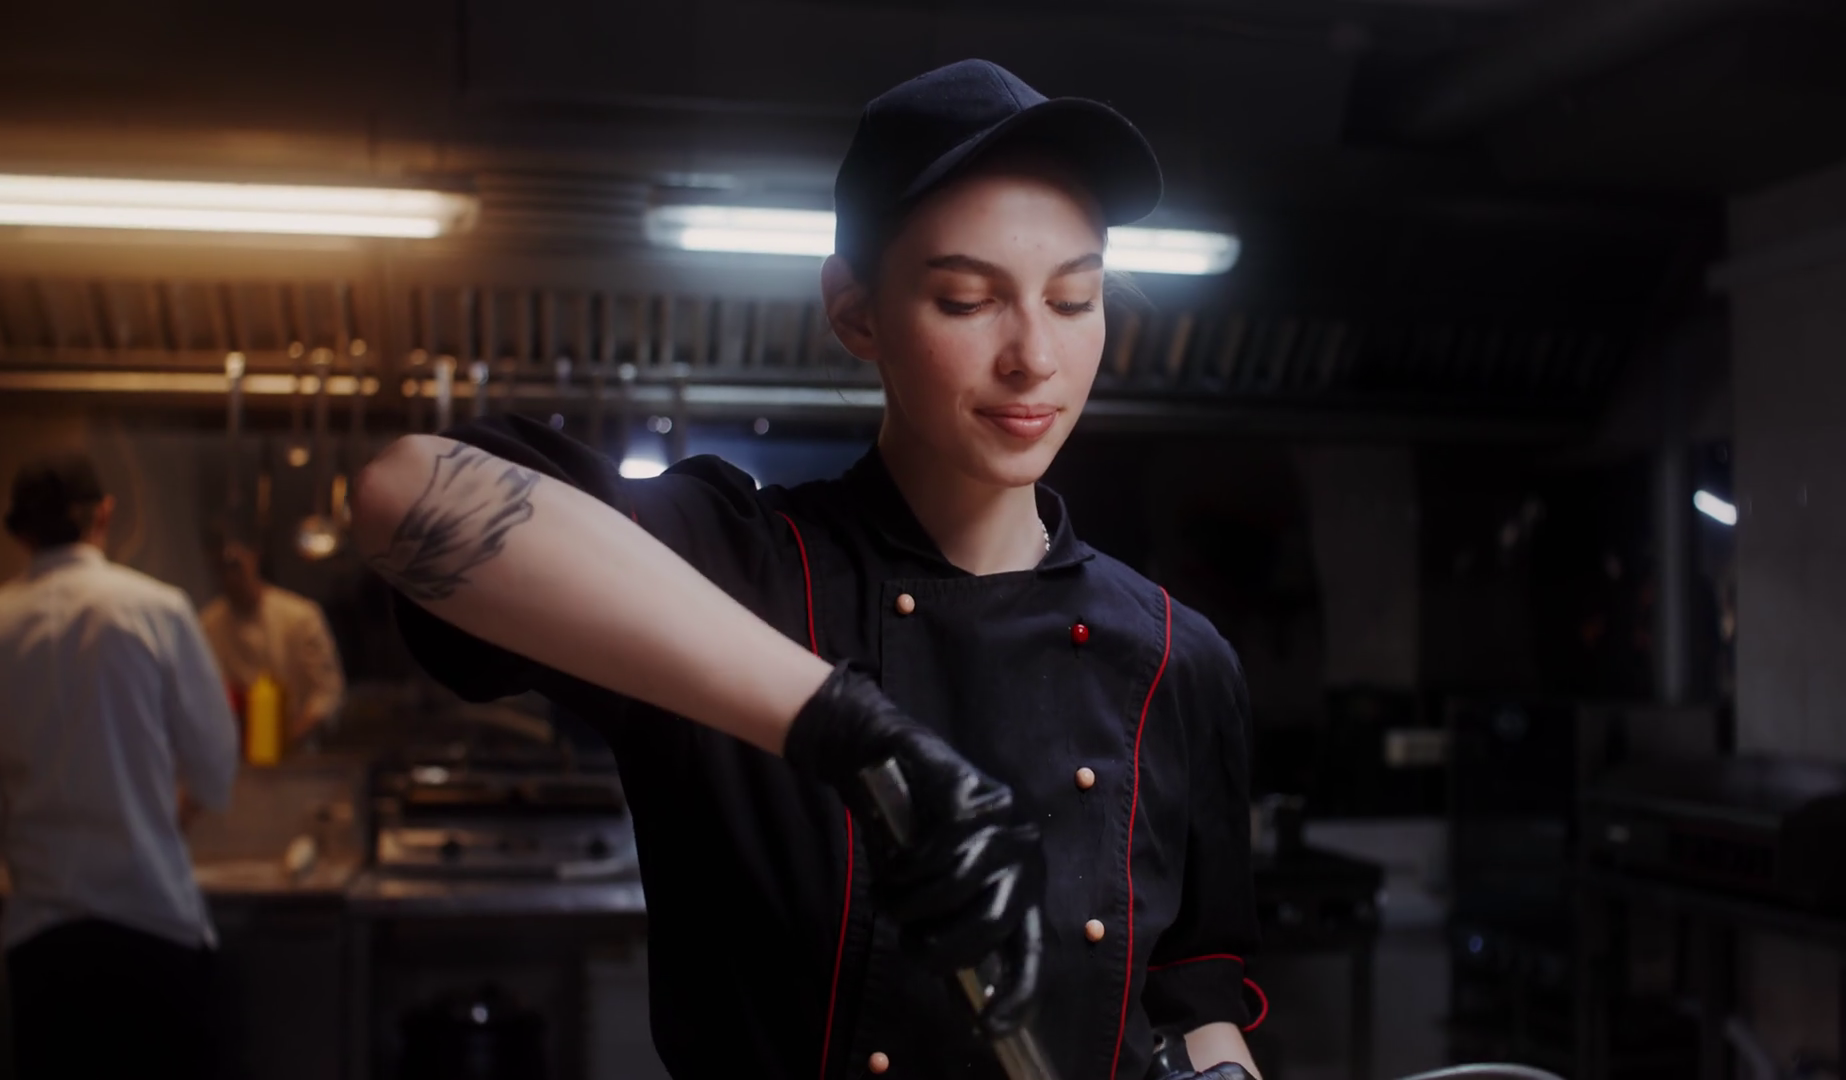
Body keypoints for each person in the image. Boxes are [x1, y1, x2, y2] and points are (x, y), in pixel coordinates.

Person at [353, 59, 1259, 1080]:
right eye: (967, 300)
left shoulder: (1178, 661)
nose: (1033, 357)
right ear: (856, 313)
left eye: (1074, 298)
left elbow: (1193, 998)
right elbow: (401, 492)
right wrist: (854, 733)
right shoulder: (736, 577)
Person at [0, 453, 237, 1080]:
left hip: (40, 945)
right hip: (152, 927)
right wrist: (164, 819)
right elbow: (216, 764)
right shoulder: (154, 609)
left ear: (20, 533)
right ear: (104, 514)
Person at [199, 526, 345, 749]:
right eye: (220, 568)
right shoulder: (208, 624)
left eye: (234, 565)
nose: (229, 577)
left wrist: (292, 735)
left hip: (297, 751)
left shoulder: (300, 616)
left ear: (254, 557)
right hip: (236, 751)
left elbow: (328, 691)